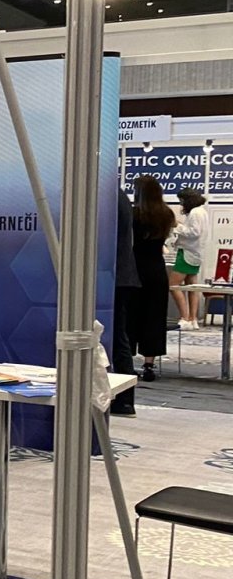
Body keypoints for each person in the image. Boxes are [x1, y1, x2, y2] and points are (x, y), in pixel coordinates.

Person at [131, 175, 174, 382]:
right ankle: (149, 365)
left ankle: (126, 362)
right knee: (154, 318)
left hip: (135, 270)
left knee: (131, 317)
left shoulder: (134, 214)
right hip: (157, 270)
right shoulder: (166, 214)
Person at [111, 186, 140, 417]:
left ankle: (124, 398)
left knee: (117, 338)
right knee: (119, 338)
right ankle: (124, 399)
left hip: (113, 276)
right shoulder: (117, 194)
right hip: (121, 275)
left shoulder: (106, 194)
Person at [168, 187, 210, 330]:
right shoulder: (202, 211)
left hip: (187, 253)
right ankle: (193, 319)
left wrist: (177, 226)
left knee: (173, 285)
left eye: (182, 201)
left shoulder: (195, 212)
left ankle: (184, 317)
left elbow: (193, 232)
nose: (181, 204)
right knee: (192, 287)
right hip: (196, 252)